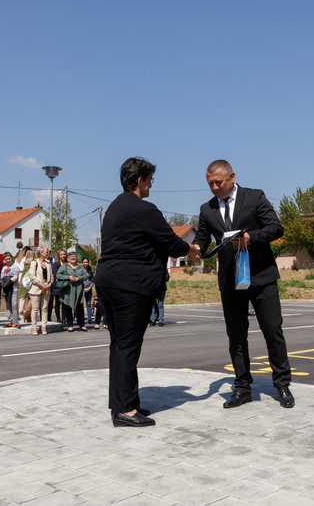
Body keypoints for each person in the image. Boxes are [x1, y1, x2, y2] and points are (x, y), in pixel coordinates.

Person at [95, 157, 200, 427]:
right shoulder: (144, 208)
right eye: (150, 180)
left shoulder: (114, 207)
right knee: (128, 346)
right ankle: (125, 411)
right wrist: (191, 249)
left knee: (119, 344)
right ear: (139, 180)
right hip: (130, 285)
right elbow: (170, 242)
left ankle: (123, 403)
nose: (151, 184)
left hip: (107, 282)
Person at [193, 160, 294, 409]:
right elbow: (202, 239)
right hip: (230, 281)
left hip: (261, 277)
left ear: (232, 177)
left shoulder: (255, 197)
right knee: (236, 336)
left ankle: (282, 385)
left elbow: (276, 228)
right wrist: (195, 249)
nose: (214, 187)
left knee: (273, 331)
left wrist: (251, 237)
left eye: (218, 182)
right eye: (210, 184)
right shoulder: (206, 209)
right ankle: (242, 388)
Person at [57, 251, 87, 332]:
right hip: (68, 290)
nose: (73, 258)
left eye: (74, 256)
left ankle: (82, 325)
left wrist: (78, 278)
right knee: (68, 307)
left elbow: (85, 276)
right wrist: (68, 277)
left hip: (79, 290)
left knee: (80, 308)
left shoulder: (80, 267)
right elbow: (58, 275)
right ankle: (70, 325)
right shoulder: (65, 266)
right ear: (68, 258)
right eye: (71, 257)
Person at [28, 245, 53, 335]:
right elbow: (32, 276)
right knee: (35, 308)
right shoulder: (34, 263)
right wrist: (41, 285)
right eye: (47, 252)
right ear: (41, 253)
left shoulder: (48, 264)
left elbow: (51, 277)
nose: (48, 253)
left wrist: (49, 284)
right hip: (36, 288)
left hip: (46, 289)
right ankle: (34, 327)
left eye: (49, 252)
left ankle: (44, 326)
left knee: (44, 308)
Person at [0, 252, 20, 327]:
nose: (8, 260)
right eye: (6, 259)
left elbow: (15, 278)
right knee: (8, 305)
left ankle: (16, 321)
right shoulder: (4, 268)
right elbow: (2, 279)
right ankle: (9, 321)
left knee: (14, 304)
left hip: (14, 288)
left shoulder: (15, 266)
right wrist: (8, 279)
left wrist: (6, 280)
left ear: (12, 258)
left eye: (9, 258)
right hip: (6, 289)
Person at [17, 248, 36, 323]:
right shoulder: (33, 263)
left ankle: (20, 312)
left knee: (22, 297)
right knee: (30, 297)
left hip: (23, 280)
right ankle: (27, 313)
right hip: (30, 281)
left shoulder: (24, 262)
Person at [47, 250, 63, 325]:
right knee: (50, 302)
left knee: (57, 303)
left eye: (64, 254)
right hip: (54, 285)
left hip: (59, 286)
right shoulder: (55, 264)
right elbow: (55, 274)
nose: (63, 256)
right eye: (61, 254)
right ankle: (48, 318)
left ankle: (58, 318)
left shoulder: (65, 264)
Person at [82, 257, 95, 323]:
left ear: (88, 262)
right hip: (81, 289)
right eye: (84, 262)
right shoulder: (80, 270)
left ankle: (89, 318)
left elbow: (93, 280)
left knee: (88, 303)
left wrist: (89, 287)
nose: (85, 263)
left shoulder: (91, 271)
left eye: (86, 262)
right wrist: (83, 288)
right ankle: (79, 317)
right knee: (80, 304)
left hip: (89, 289)